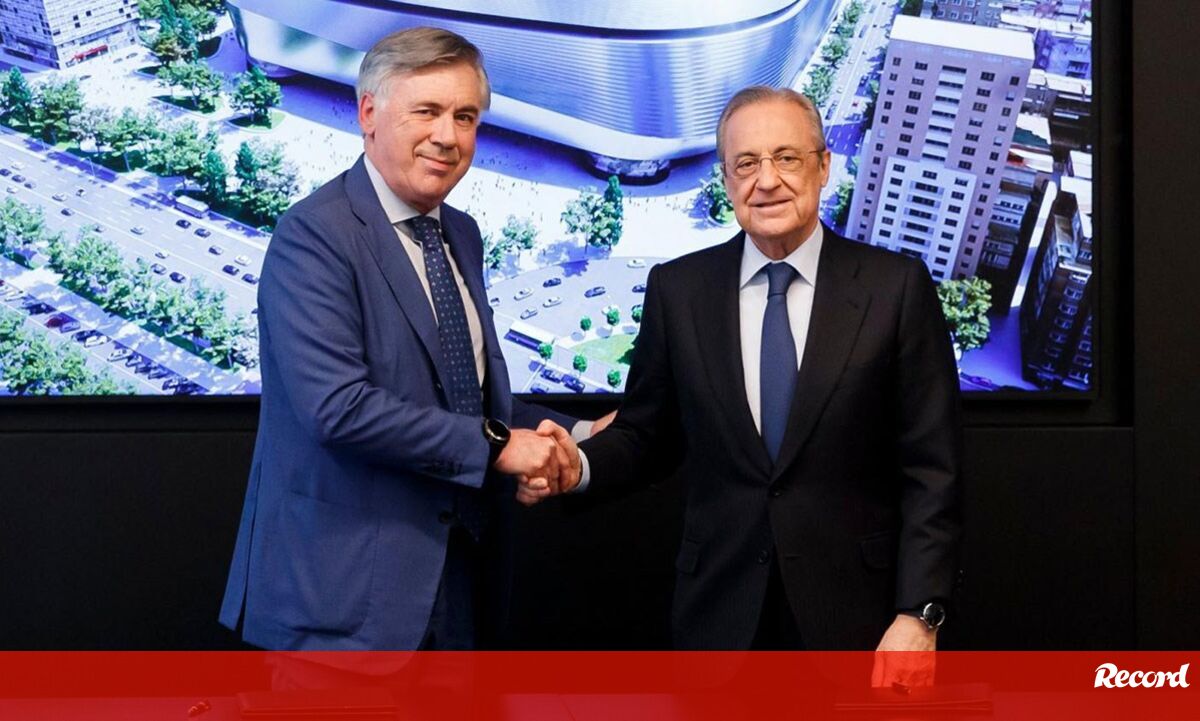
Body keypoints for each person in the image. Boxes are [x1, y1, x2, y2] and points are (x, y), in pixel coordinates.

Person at [528, 86, 961, 683]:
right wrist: (578, 466)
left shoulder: (896, 289)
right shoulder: (679, 290)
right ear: (727, 180)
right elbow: (647, 434)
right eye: (747, 163)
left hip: (860, 623)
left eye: (786, 158)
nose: (767, 180)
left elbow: (933, 470)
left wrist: (920, 614)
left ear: (823, 166)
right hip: (718, 619)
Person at [219, 27, 585, 656]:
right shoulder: (314, 235)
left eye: (465, 116)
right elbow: (339, 409)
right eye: (427, 111)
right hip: (342, 610)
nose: (448, 135)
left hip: (465, 583)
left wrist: (577, 432)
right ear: (368, 113)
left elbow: (466, 399)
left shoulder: (462, 234)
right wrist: (500, 449)